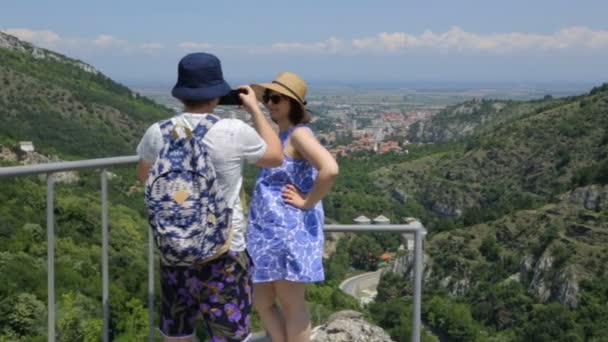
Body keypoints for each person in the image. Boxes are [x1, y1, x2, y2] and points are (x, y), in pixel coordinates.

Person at [136, 52, 283, 342]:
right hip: (224, 252)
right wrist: (255, 110)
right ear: (218, 94)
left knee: (177, 334)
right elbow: (275, 156)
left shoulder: (158, 132)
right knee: (229, 335)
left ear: (181, 95)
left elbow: (145, 177)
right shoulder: (233, 130)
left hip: (175, 249)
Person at [246, 72, 339, 342]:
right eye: (267, 98)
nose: (270, 103)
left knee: (292, 304)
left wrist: (307, 201)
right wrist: (254, 109)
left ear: (294, 103)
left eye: (276, 98)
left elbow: (330, 169)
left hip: (287, 233)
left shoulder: (298, 134)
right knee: (262, 301)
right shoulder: (283, 134)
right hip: (267, 234)